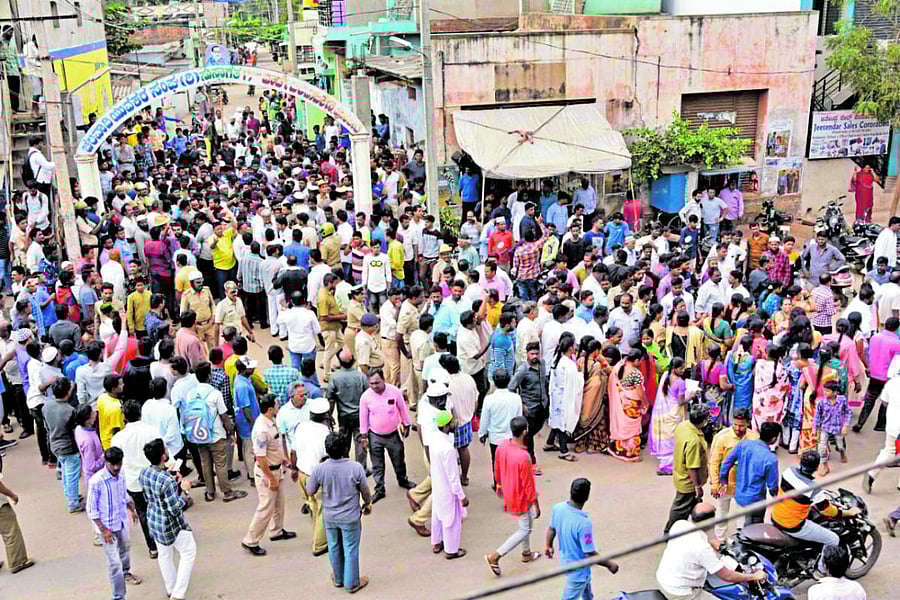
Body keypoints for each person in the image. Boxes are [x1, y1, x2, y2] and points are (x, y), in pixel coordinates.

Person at [656, 502, 767, 600]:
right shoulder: (702, 548)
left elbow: (690, 541)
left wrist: (711, 541)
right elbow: (727, 576)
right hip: (680, 592)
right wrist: (753, 576)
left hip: (664, 578)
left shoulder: (679, 524)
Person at [306, 432, 372, 593]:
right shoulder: (355, 468)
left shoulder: (320, 469)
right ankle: (351, 583)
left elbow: (310, 490)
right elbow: (365, 491)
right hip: (350, 516)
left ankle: (338, 578)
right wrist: (368, 503)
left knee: (334, 546)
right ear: (345, 449)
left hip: (330, 516)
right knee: (350, 548)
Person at [484, 415, 542, 576]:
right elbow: (529, 486)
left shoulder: (502, 447)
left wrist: (499, 486)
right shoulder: (524, 457)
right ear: (525, 432)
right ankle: (496, 555)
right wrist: (536, 503)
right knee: (525, 529)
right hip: (521, 497)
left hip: (509, 491)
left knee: (526, 524)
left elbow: (497, 468)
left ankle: (526, 553)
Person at [139, 438, 196, 600]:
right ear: (163, 456)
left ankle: (171, 588)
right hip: (171, 524)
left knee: (164, 555)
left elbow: (150, 495)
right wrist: (185, 492)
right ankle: (178, 594)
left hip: (154, 520)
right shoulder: (167, 480)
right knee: (188, 552)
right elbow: (174, 508)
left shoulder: (145, 473)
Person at [544, 478, 619, 600]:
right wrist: (609, 564)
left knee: (587, 592)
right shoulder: (584, 524)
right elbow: (589, 553)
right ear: (587, 497)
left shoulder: (558, 508)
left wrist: (548, 545)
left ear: (571, 492)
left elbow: (551, 529)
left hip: (566, 561)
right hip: (578, 572)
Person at [241, 394, 296, 556]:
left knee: (279, 503)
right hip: (268, 472)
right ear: (270, 409)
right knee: (266, 507)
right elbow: (260, 457)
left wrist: (285, 461)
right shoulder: (262, 430)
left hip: (277, 469)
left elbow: (276, 447)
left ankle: (276, 530)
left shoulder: (271, 422)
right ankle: (250, 540)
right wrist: (270, 478)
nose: (279, 407)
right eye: (277, 405)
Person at [88, 447, 143, 599]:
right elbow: (92, 510)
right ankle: (118, 597)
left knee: (125, 549)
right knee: (114, 563)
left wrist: (131, 508)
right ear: (106, 462)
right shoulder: (96, 482)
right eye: (112, 464)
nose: (116, 467)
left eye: (118, 463)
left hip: (121, 522)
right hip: (107, 529)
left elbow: (122, 494)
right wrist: (103, 529)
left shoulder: (121, 474)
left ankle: (126, 573)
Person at [771, 450, 859, 546]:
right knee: (833, 539)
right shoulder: (813, 489)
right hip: (792, 525)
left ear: (800, 462)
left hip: (776, 516)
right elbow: (828, 511)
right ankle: (822, 561)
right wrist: (847, 513)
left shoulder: (788, 472)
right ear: (817, 467)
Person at [110, 400, 161, 558]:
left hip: (133, 482)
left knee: (143, 512)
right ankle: (164, 539)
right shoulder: (152, 431)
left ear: (124, 416)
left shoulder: (118, 438)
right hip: (153, 479)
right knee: (158, 507)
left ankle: (152, 547)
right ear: (140, 413)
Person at [359, 368, 415, 503]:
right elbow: (363, 417)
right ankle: (379, 489)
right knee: (377, 465)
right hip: (375, 436)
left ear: (384, 379)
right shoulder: (366, 397)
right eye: (371, 383)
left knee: (399, 460)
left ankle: (402, 480)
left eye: (377, 383)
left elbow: (402, 408)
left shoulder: (394, 392)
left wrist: (406, 424)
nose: (374, 386)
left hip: (393, 435)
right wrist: (364, 436)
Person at [718, 422, 780, 527]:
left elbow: (726, 463)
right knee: (754, 528)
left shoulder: (744, 444)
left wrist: (723, 481)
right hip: (755, 500)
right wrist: (776, 498)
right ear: (774, 439)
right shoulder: (771, 459)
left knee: (744, 521)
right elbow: (772, 485)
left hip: (739, 495)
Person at [291, 397, 331, 557]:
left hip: (302, 473)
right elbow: (328, 459)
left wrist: (294, 469)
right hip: (317, 477)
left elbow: (293, 452)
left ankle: (317, 531)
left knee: (313, 505)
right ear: (326, 415)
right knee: (322, 509)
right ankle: (319, 544)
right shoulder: (326, 434)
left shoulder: (301, 427)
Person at [664, 403, 710, 535]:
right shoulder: (693, 441)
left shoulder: (683, 425)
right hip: (688, 482)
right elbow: (692, 467)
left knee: (691, 505)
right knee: (680, 508)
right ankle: (670, 532)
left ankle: (691, 529)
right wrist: (698, 487)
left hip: (679, 474)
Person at [429, 409, 469, 559]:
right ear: (446, 426)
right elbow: (453, 477)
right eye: (452, 421)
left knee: (437, 514)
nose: (455, 423)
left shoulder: (435, 439)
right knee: (451, 520)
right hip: (447, 489)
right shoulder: (448, 450)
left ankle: (436, 542)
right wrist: (461, 496)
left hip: (438, 485)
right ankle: (452, 550)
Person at [477, 369, 523, 486]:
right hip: (512, 436)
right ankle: (511, 482)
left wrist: (482, 434)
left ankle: (499, 483)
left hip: (495, 438)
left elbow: (485, 419)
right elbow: (519, 417)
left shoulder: (489, 399)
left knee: (496, 461)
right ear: (508, 381)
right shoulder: (516, 398)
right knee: (512, 461)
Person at [649, 358, 691, 476]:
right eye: (681, 368)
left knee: (667, 437)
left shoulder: (665, 376)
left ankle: (665, 462)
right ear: (674, 368)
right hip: (675, 413)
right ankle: (667, 466)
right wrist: (691, 395)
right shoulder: (680, 382)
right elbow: (681, 402)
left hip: (666, 413)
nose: (683, 370)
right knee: (673, 438)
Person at [547, 333, 584, 462]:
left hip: (557, 395)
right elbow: (575, 384)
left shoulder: (557, 359)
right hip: (565, 397)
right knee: (564, 422)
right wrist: (580, 373)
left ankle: (550, 442)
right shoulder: (569, 365)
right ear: (570, 348)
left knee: (557, 419)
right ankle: (564, 451)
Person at [608, 348, 646, 462]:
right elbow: (640, 392)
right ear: (636, 360)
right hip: (633, 403)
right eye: (640, 361)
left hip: (622, 401)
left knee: (623, 425)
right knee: (632, 429)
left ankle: (619, 449)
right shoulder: (635, 373)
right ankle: (631, 454)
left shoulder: (620, 366)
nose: (640, 364)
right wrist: (645, 403)